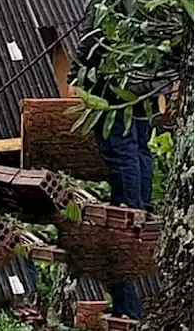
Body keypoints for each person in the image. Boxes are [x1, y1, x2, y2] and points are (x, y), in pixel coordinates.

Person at [71, 28, 154, 319]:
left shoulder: (111, 12)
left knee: (121, 150)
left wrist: (79, 74)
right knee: (139, 147)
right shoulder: (146, 11)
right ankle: (140, 201)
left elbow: (91, 42)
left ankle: (131, 205)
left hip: (113, 92)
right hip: (143, 90)